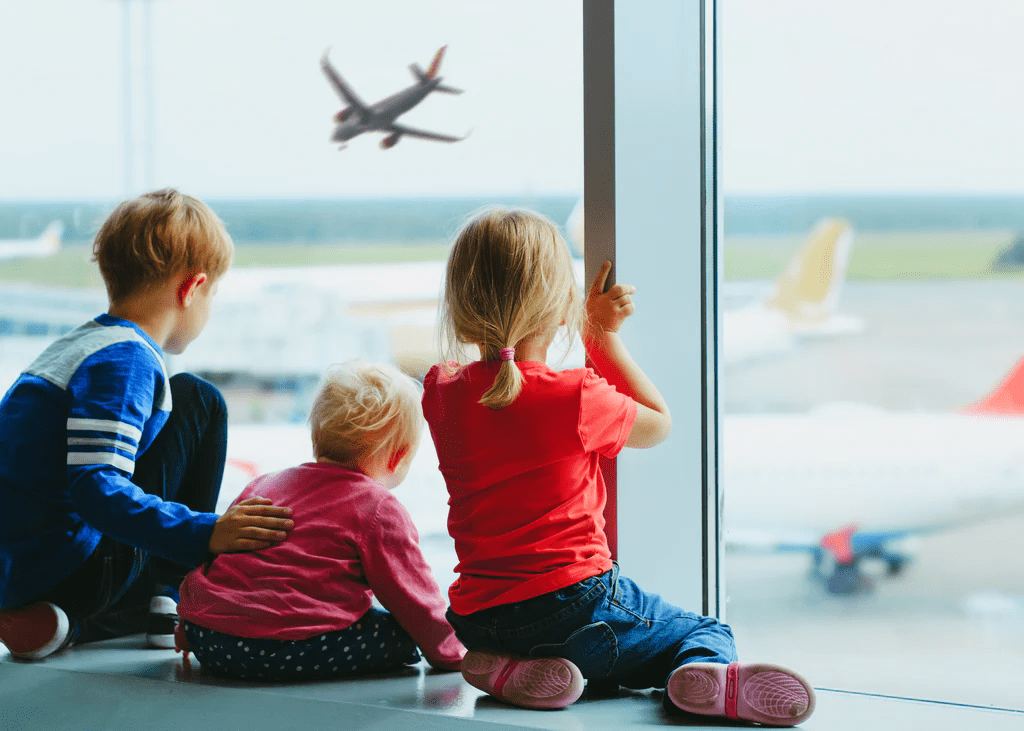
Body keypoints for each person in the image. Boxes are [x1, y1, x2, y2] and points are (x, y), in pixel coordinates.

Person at [421, 207, 816, 725]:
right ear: (563, 306)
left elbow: (500, 403)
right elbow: (660, 424)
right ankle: (698, 675)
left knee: (589, 655)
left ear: (461, 306)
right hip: (573, 605)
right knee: (705, 631)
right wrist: (602, 337)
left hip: (478, 618)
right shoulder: (573, 397)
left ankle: (514, 670)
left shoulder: (440, 392)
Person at [0, 189, 294, 660]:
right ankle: (168, 596)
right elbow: (94, 487)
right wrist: (203, 532)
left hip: (20, 568)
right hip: (73, 569)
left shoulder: (72, 348)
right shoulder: (127, 360)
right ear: (191, 288)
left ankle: (56, 623)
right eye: (211, 294)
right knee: (200, 400)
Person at [175, 361, 465, 681]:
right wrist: (449, 653)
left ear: (317, 439)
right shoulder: (378, 508)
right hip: (274, 649)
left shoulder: (265, 484)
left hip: (208, 637)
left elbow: (221, 559)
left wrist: (192, 626)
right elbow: (415, 599)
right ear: (399, 457)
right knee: (400, 634)